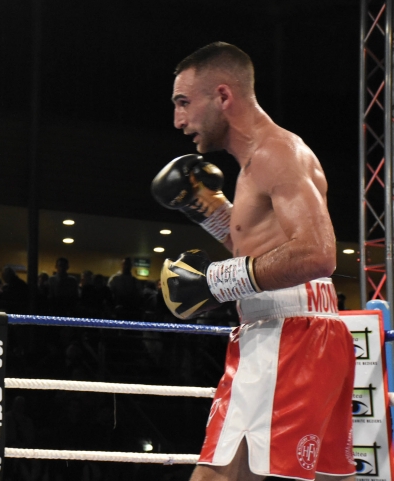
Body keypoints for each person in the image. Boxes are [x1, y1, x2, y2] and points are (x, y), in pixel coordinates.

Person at [152, 42, 354, 481]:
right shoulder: (253, 165)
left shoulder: (274, 153)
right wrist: (208, 211)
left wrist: (215, 282)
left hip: (287, 336)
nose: (178, 120)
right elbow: (264, 249)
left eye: (184, 103)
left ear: (223, 96)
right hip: (299, 331)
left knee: (217, 477)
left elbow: (318, 253)